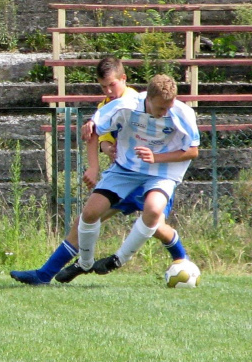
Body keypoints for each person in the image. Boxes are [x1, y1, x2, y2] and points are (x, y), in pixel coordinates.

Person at [10, 59, 189, 285]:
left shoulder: (140, 102)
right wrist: (100, 153)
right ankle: (49, 273)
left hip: (153, 176)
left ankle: (182, 260)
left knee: (155, 226)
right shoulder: (107, 105)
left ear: (124, 80)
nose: (108, 91)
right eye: (103, 87)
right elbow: (100, 136)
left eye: (112, 85)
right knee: (86, 219)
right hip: (125, 175)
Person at [54, 74, 199, 283]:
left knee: (154, 212)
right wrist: (93, 164)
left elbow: (193, 151)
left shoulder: (182, 113)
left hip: (162, 172)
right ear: (147, 99)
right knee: (89, 213)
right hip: (126, 170)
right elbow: (94, 127)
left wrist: (156, 157)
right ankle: (84, 263)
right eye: (160, 108)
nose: (165, 112)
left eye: (169, 107)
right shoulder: (126, 105)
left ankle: (118, 260)